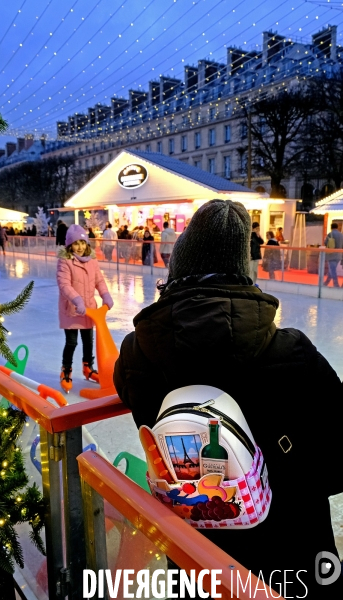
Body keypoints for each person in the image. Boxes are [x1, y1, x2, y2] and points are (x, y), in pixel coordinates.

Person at [114, 199, 343, 599]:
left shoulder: (137, 353)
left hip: (194, 555)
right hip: (289, 561)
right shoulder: (293, 354)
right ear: (244, 273)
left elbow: (127, 393)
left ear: (177, 269)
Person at [56, 224, 114, 392]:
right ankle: (66, 370)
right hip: (72, 310)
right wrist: (77, 300)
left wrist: (106, 295)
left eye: (82, 242)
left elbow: (99, 281)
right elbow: (64, 284)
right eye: (76, 243)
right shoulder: (65, 261)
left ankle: (88, 367)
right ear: (69, 245)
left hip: (90, 309)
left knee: (89, 341)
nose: (80, 247)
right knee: (72, 342)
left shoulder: (92, 260)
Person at [324, 223, 343, 288]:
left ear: (331, 227)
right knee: (331, 269)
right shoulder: (341, 235)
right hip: (339, 255)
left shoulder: (330, 234)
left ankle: (336, 284)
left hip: (331, 254)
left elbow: (326, 243)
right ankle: (326, 283)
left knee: (332, 270)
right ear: (337, 227)